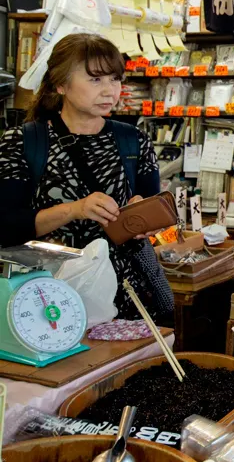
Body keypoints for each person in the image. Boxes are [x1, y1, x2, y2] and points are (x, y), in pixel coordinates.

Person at [0, 33, 172, 321]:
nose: (109, 91)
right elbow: (6, 226)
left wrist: (145, 218)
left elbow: (154, 208)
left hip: (128, 295)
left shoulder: (133, 140)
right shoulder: (23, 141)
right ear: (61, 84)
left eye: (114, 79)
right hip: (49, 297)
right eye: (95, 79)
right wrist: (75, 209)